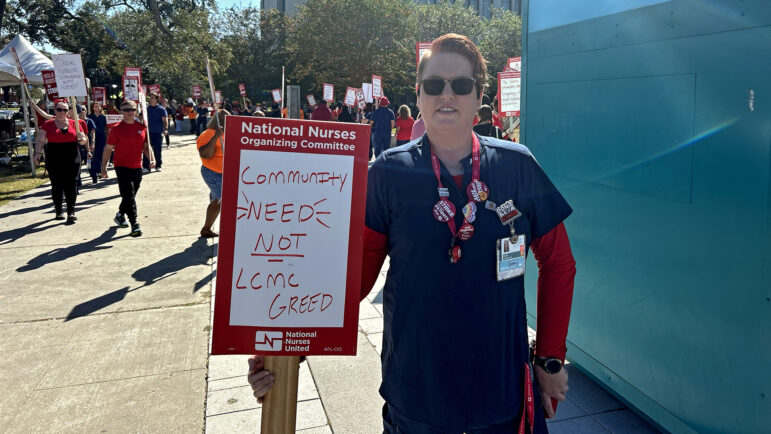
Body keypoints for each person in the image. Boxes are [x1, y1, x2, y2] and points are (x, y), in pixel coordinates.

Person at [248, 33, 576, 433]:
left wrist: (550, 359)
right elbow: (354, 278)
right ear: (419, 94)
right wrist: (286, 347)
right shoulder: (387, 173)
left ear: (479, 96)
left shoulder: (518, 166)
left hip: (501, 393)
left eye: (461, 85)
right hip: (417, 397)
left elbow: (559, 264)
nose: (447, 95)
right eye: (435, 85)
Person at [100, 100, 155, 237]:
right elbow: (108, 148)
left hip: (137, 166)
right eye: (126, 110)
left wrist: (152, 159)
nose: (130, 112)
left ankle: (120, 215)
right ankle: (134, 223)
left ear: (136, 110)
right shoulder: (116, 129)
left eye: (132, 109)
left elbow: (146, 147)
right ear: (121, 112)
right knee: (129, 194)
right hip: (121, 166)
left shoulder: (142, 127)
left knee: (130, 195)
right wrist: (103, 167)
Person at [33, 100, 89, 222]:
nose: (62, 112)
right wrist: (37, 153)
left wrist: (82, 139)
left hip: (72, 156)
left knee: (71, 184)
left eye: (65, 110)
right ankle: (58, 210)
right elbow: (40, 140)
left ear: (68, 111)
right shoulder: (48, 124)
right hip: (54, 156)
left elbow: (84, 140)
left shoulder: (75, 123)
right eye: (59, 110)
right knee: (57, 184)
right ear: (55, 110)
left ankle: (71, 211)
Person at [195, 109, 229, 238]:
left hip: (224, 173)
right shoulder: (208, 134)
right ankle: (206, 229)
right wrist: (216, 137)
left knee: (217, 201)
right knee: (219, 200)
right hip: (213, 173)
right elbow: (205, 154)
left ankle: (206, 229)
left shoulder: (227, 133)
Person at [144, 93, 167, 172]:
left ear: (157, 99)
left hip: (158, 132)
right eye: (150, 98)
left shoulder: (161, 109)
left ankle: (158, 165)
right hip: (147, 133)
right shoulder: (146, 109)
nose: (151, 99)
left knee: (157, 149)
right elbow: (140, 117)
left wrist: (165, 129)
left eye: (153, 98)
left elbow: (165, 120)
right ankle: (146, 166)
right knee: (146, 149)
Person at [88, 102, 108, 183]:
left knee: (101, 154)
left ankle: (101, 170)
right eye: (95, 106)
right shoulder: (90, 117)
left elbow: (107, 127)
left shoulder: (104, 117)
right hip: (93, 137)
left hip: (102, 136)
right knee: (94, 154)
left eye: (98, 106)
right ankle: (95, 171)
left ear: (101, 108)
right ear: (93, 108)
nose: (97, 107)